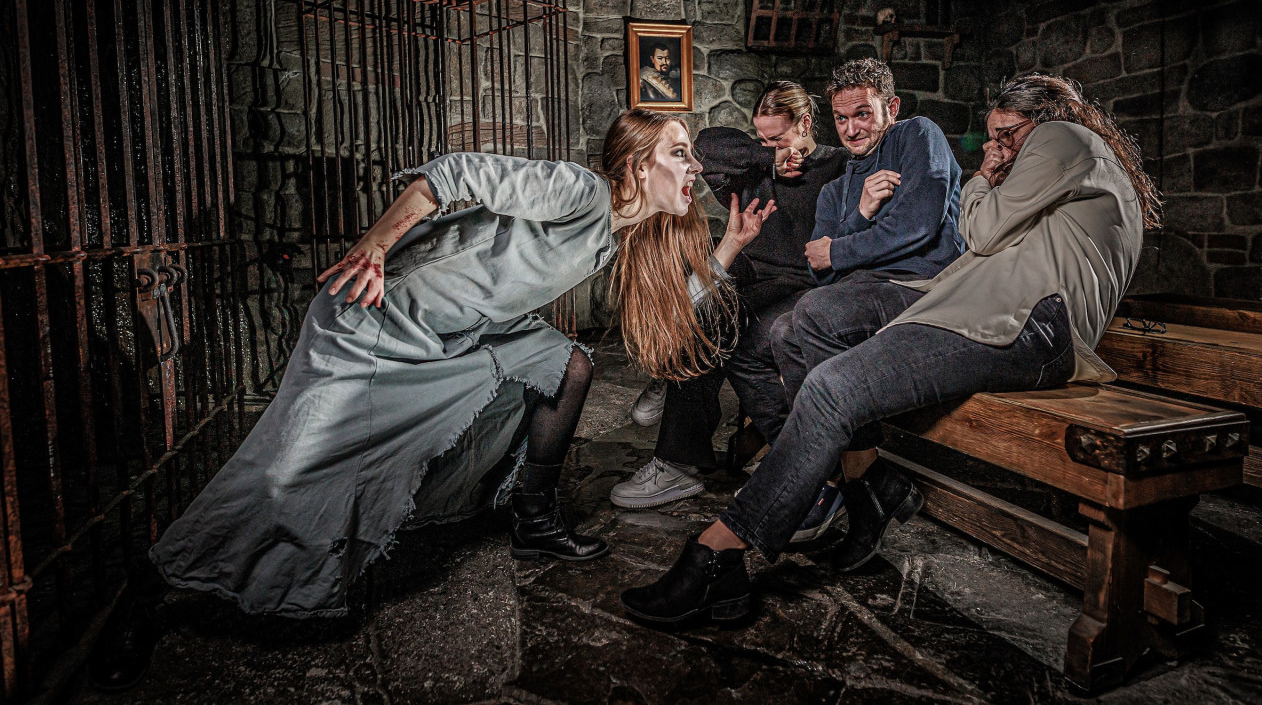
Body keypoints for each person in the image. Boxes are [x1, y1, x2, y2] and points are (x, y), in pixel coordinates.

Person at [89, 109, 774, 690]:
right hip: (376, 319)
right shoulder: (578, 189)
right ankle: (151, 586)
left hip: (467, 331)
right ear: (635, 166)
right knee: (283, 473)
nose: (695, 168)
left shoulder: (619, 234)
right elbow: (452, 173)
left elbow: (670, 309)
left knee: (568, 364)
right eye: (679, 153)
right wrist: (373, 247)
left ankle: (534, 517)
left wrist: (733, 243)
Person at [619, 73, 1161, 625]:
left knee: (831, 382)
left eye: (1006, 135)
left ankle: (729, 545)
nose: (997, 148)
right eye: (994, 137)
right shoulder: (1061, 164)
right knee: (813, 349)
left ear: (1043, 118)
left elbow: (975, 230)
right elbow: (829, 255)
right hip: (987, 314)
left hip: (1028, 324)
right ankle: (862, 486)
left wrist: (980, 179)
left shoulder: (1060, 138)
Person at [611, 81, 844, 516]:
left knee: (716, 320)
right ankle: (670, 374)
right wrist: (769, 157)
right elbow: (707, 145)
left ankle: (676, 459)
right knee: (694, 285)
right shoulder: (756, 164)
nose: (770, 145)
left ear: (806, 123)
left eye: (778, 138)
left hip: (798, 282)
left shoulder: (836, 166)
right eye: (761, 138)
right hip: (747, 267)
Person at [762, 57, 966, 537]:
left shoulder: (916, 136)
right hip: (862, 292)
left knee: (811, 314)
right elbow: (818, 269)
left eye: (863, 114)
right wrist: (862, 213)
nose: (851, 129)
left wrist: (839, 249)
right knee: (783, 331)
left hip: (923, 287)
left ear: (890, 108)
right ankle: (863, 477)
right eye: (841, 118)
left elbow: (918, 226)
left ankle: (844, 479)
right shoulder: (836, 190)